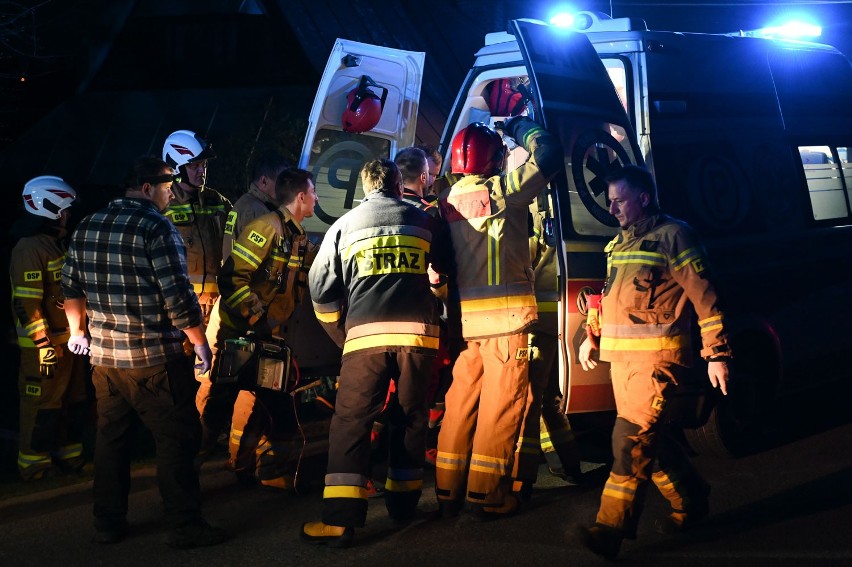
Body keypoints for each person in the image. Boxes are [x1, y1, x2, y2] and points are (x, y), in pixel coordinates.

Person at [61, 156, 225, 549]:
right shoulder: (157, 227)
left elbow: (70, 288)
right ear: (148, 187)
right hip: (155, 359)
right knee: (176, 440)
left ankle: (108, 522)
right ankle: (185, 525)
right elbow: (178, 298)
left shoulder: (87, 225)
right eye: (168, 187)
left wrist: (77, 332)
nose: (171, 194)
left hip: (105, 360)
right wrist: (201, 344)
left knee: (111, 440)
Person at [576, 164, 731, 560]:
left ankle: (610, 529)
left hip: (658, 361)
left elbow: (706, 298)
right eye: (609, 201)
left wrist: (716, 354)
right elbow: (611, 299)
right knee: (650, 441)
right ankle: (692, 498)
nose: (613, 209)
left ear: (644, 197)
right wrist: (590, 337)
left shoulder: (675, 236)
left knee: (628, 441)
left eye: (620, 200)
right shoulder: (619, 245)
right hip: (622, 363)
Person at [301, 159, 448, 547]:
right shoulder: (424, 221)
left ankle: (341, 520)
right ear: (400, 185)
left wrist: (341, 332)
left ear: (365, 188)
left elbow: (319, 287)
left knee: (351, 423)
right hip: (419, 339)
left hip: (364, 340)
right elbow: (447, 268)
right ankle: (403, 503)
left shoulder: (343, 226)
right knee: (411, 418)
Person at [433, 116, 562, 518]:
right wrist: (522, 126)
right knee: (501, 407)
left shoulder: (447, 201)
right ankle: (486, 493)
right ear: (492, 161)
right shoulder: (502, 190)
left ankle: (448, 490)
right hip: (506, 320)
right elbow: (551, 156)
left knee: (462, 404)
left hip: (466, 324)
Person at [213, 167, 319, 489]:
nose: (316, 198)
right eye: (313, 192)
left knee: (278, 410)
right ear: (301, 197)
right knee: (217, 411)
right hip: (242, 338)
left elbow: (321, 267)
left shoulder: (297, 237)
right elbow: (231, 279)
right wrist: (257, 320)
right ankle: (184, 478)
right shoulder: (266, 228)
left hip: (267, 340)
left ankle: (270, 473)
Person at [195, 150, 290, 466]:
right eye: (281, 182)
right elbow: (249, 272)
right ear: (264, 181)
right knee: (236, 390)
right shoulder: (258, 214)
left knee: (237, 389)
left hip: (238, 310)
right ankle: (210, 454)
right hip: (245, 313)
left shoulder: (248, 206)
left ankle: (228, 454)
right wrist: (257, 315)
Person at [10, 176, 88, 481]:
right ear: (49, 208)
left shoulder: (56, 244)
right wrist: (42, 345)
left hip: (68, 342)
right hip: (44, 347)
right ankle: (34, 466)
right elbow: (26, 305)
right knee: (42, 406)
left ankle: (71, 459)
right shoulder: (29, 248)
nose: (67, 215)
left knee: (74, 401)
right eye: (64, 209)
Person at [511, 198, 584, 498]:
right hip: (556, 316)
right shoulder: (560, 208)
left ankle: (521, 478)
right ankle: (567, 462)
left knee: (529, 398)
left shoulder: (530, 216)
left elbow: (520, 262)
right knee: (549, 397)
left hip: (537, 320)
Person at [161, 129, 230, 327]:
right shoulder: (163, 206)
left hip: (215, 308)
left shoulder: (217, 201)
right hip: (178, 310)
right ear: (177, 168)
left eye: (204, 165)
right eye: (195, 166)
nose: (202, 171)